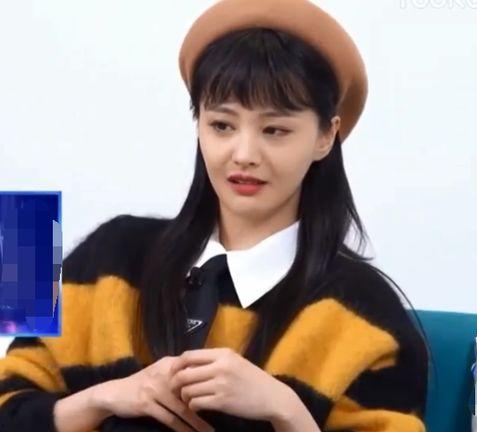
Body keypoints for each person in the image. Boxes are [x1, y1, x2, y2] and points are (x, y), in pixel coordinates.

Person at [0, 0, 430, 431]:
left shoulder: (366, 315)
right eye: (222, 125)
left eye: (275, 130)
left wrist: (288, 412)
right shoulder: (107, 255)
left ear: (325, 136)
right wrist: (100, 400)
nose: (243, 154)